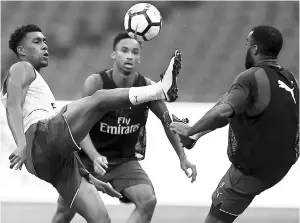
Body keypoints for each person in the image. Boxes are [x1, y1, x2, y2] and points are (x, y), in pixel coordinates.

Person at [1, 24, 182, 223]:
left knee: (101, 220)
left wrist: (89, 176)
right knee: (99, 99)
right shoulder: (21, 68)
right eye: (37, 41)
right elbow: (12, 106)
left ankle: (160, 90)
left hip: (52, 160)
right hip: (38, 138)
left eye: (45, 41)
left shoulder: (36, 82)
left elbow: (65, 142)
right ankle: (159, 89)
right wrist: (21, 143)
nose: (45, 46)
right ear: (21, 50)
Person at [51, 31, 197, 223]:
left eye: (135, 52)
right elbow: (77, 126)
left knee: (147, 200)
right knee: (64, 213)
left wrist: (183, 157)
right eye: (124, 50)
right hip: (85, 159)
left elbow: (167, 121)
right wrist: (94, 156)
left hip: (123, 161)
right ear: (114, 54)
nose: (130, 55)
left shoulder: (145, 86)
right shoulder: (96, 83)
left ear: (139, 58)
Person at [170, 25, 299, 223]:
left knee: (214, 219)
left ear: (255, 49)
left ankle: (192, 136)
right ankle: (194, 138)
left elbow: (222, 111)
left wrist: (190, 129)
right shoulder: (290, 79)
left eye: (247, 44)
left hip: (250, 171)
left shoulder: (250, 77)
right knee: (234, 102)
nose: (245, 49)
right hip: (281, 166)